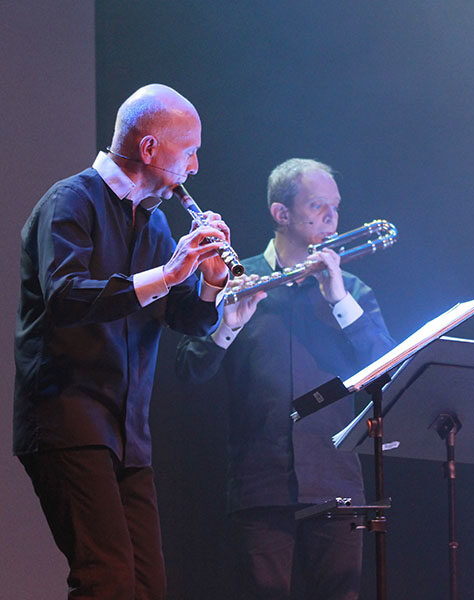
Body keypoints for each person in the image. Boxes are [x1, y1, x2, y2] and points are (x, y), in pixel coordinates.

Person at [13, 84, 233, 599]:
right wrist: (169, 271)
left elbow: (186, 318)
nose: (195, 168)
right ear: (150, 150)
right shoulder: (71, 200)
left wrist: (211, 279)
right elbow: (65, 297)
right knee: (105, 579)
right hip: (67, 419)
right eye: (190, 151)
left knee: (147, 586)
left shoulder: (154, 223)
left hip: (128, 433)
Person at [175, 158, 395, 600]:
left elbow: (387, 370)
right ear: (282, 214)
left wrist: (339, 301)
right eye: (318, 206)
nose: (332, 218)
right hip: (260, 486)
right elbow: (188, 373)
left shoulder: (351, 289)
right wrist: (228, 325)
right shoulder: (235, 279)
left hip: (335, 484)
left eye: (335, 207)